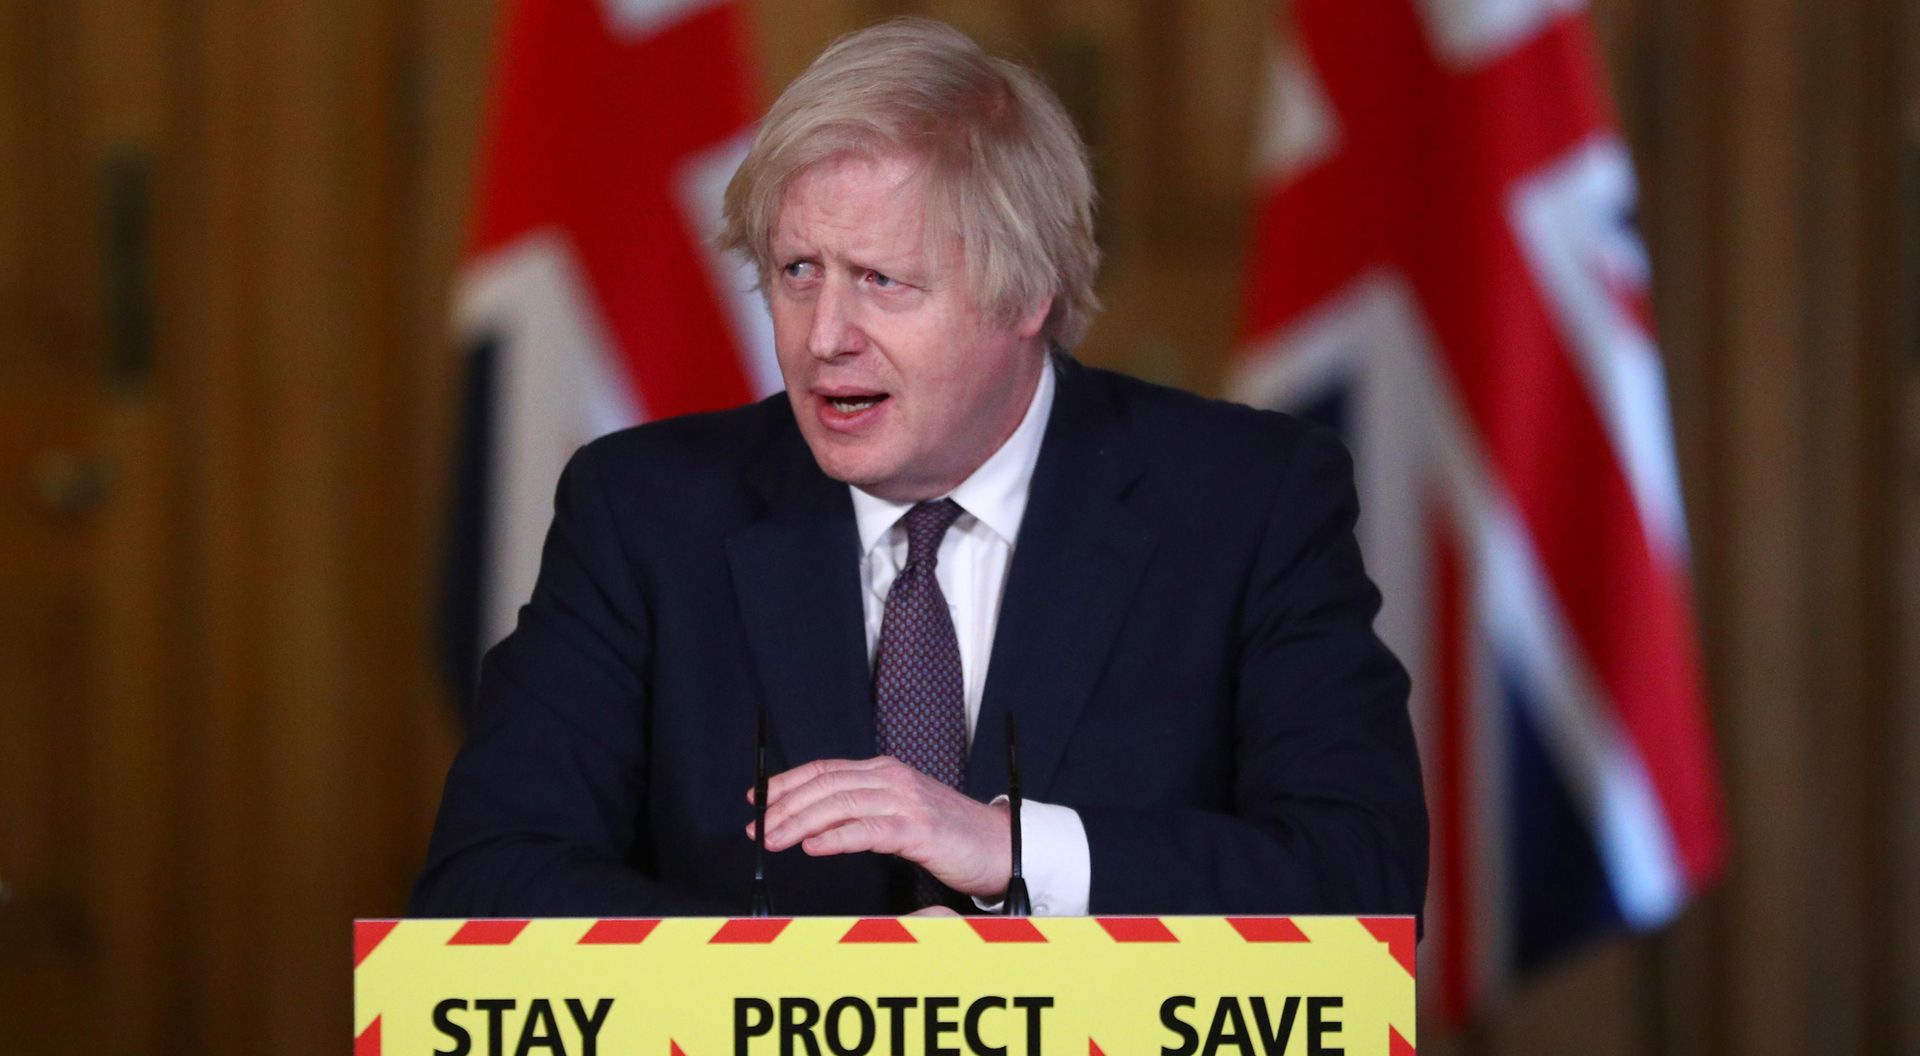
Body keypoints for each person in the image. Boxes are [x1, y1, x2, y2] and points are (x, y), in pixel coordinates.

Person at [411, 17, 1425, 919]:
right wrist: (828, 998)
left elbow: (1360, 877)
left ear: (1024, 293)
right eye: (797, 273)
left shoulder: (1246, 502)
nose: (825, 338)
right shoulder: (645, 512)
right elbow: (488, 883)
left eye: (884, 282)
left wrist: (1012, 850)